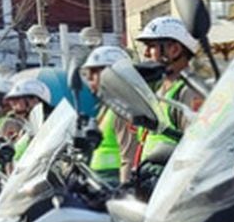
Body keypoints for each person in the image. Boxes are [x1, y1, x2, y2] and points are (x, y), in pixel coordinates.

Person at [133, 16, 204, 167]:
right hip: (153, 183)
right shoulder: (160, 92)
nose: (146, 54)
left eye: (151, 46)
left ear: (174, 49)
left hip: (173, 184)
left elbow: (195, 149)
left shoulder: (189, 93)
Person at [79, 45, 136, 185]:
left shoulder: (123, 109)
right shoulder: (106, 107)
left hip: (114, 180)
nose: (89, 79)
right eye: (87, 75)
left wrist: (125, 187)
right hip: (100, 180)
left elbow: (128, 154)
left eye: (94, 73)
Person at [3, 78, 53, 161]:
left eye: (17, 99)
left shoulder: (52, 123)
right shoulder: (24, 127)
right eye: (11, 100)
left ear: (35, 100)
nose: (13, 104)